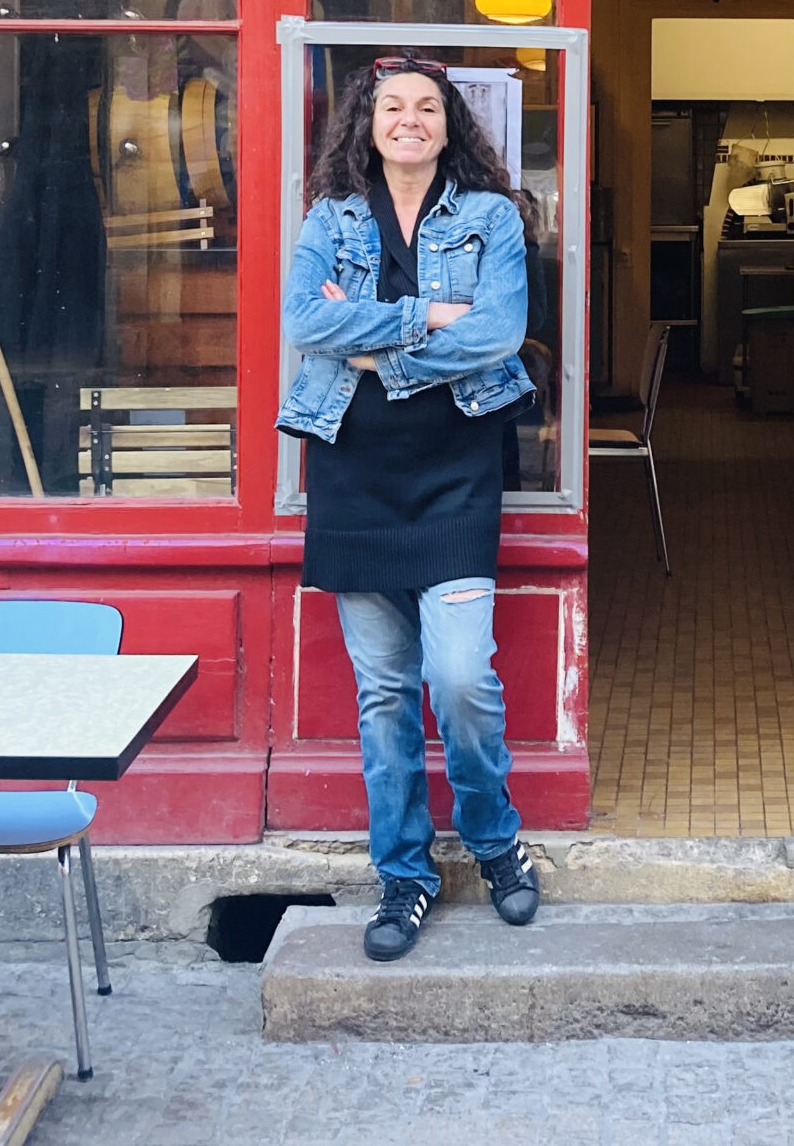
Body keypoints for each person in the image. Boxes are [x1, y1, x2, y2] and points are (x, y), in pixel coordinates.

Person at [280, 54, 541, 961]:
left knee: (462, 680)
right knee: (385, 693)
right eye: (392, 105)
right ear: (368, 122)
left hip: (456, 469)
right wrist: (428, 317)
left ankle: (497, 841)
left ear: (448, 124)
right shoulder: (328, 217)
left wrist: (378, 346)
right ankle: (403, 874)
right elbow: (304, 322)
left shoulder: (491, 217)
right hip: (353, 472)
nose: (409, 119)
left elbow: (499, 330)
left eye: (427, 107)